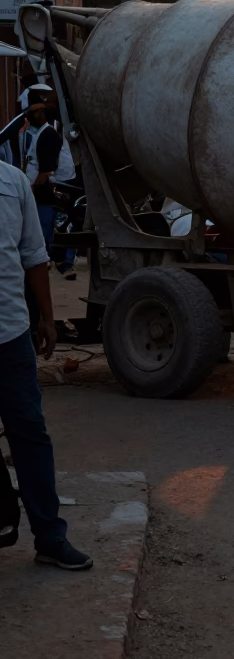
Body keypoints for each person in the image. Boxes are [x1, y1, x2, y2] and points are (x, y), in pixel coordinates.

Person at [0, 158, 92, 568]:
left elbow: (34, 254)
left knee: (30, 433)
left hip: (10, 333)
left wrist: (47, 316)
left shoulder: (13, 181)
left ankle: (50, 536)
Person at [22, 90, 76, 279]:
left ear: (43, 112)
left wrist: (32, 188)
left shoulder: (48, 135)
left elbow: (46, 170)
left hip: (48, 191)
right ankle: (52, 262)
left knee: (52, 227)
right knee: (48, 227)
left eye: (34, 112)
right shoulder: (40, 134)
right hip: (44, 190)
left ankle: (60, 263)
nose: (30, 115)